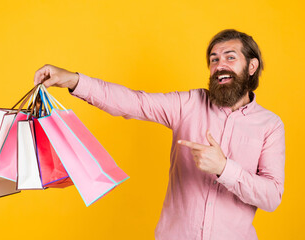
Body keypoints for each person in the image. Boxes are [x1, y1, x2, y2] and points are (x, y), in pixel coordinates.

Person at [34, 29, 285, 240]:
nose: (220, 66)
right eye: (214, 59)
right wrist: (73, 80)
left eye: (230, 58)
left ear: (252, 66)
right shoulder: (189, 104)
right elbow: (133, 102)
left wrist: (224, 168)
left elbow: (272, 197)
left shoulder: (270, 125)